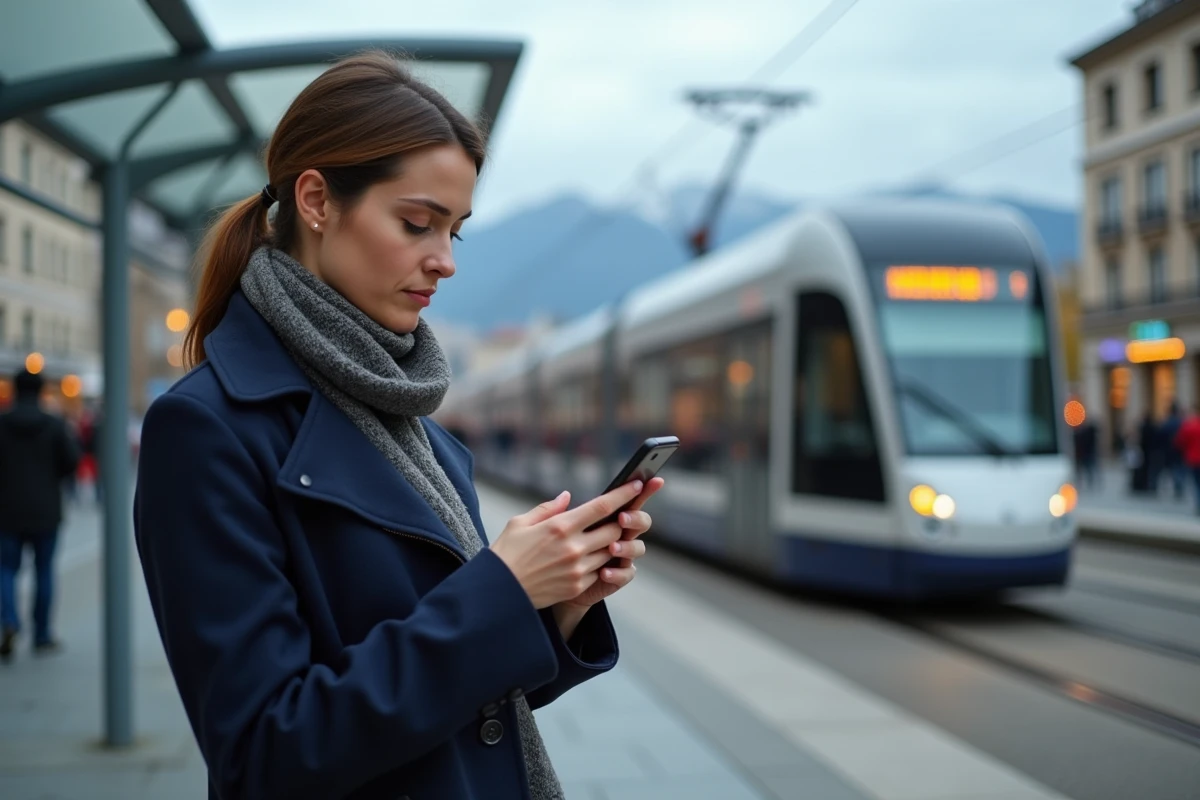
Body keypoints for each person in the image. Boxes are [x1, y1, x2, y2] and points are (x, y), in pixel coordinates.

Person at [133, 52, 664, 800]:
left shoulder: (421, 431)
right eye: (418, 224)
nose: (444, 262)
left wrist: (556, 609)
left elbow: (466, 708)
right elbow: (263, 754)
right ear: (316, 200)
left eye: (456, 232)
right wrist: (503, 592)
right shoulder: (205, 431)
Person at [0, 369, 80, 660]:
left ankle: (9, 621)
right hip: (46, 509)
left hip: (6, 510)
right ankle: (42, 633)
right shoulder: (54, 424)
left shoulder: (2, 423)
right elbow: (72, 461)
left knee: (6, 569)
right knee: (44, 571)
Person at [1174, 405, 1200, 514]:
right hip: (1193, 458)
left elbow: (1179, 441)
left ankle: (1198, 504)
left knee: (1196, 483)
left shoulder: (1188, 426)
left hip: (1193, 459)